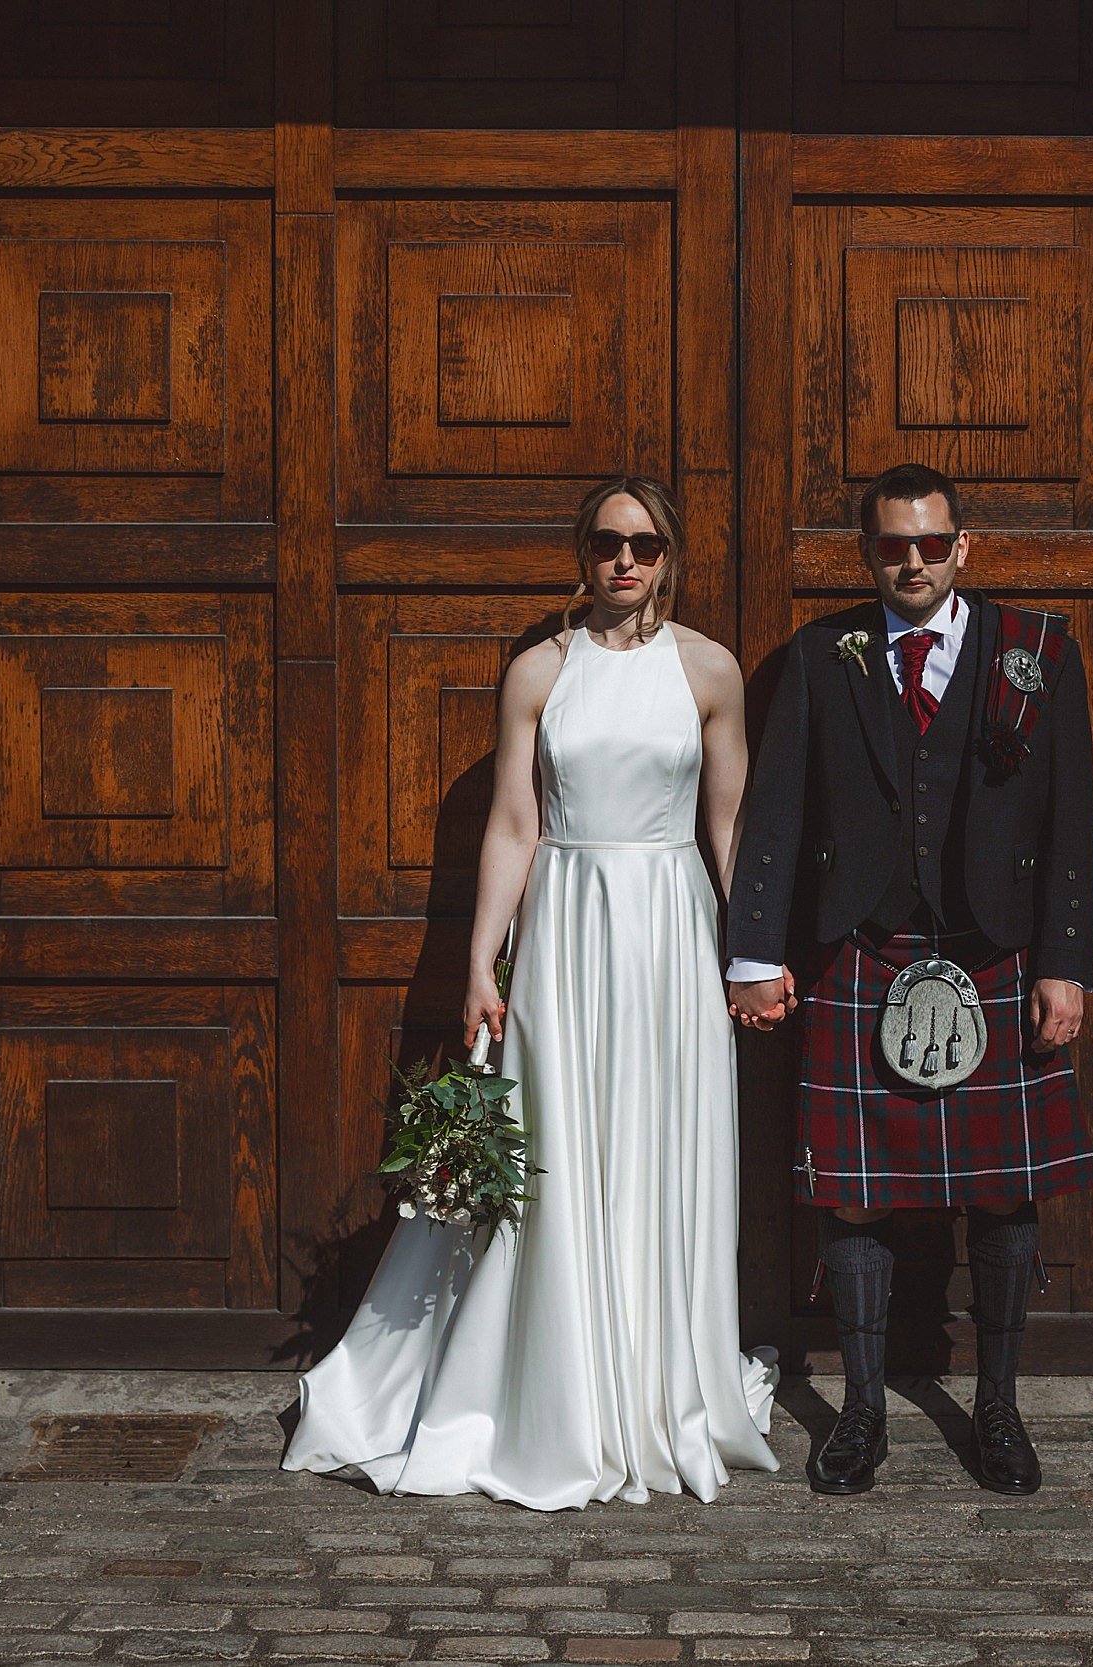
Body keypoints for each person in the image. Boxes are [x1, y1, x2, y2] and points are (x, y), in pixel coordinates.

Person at [283, 476, 779, 1510]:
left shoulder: (710, 669)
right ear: (581, 553)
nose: (624, 560)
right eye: (605, 541)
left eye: (643, 542)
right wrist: (480, 961)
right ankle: (558, 1390)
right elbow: (512, 824)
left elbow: (729, 823)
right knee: (558, 1145)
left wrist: (754, 953)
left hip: (670, 928)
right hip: (567, 925)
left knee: (658, 1145)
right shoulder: (537, 671)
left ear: (669, 553)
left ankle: (657, 1387)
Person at [727, 461, 1093, 1498]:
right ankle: (859, 1413)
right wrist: (755, 950)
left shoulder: (1038, 650)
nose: (914, 561)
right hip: (859, 951)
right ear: (868, 551)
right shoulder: (819, 652)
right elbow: (780, 809)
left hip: (996, 955)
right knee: (851, 1199)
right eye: (893, 544)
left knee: (1005, 1192)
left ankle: (999, 1406)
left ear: (963, 546)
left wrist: (1066, 962)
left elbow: (1072, 819)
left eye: (933, 542)